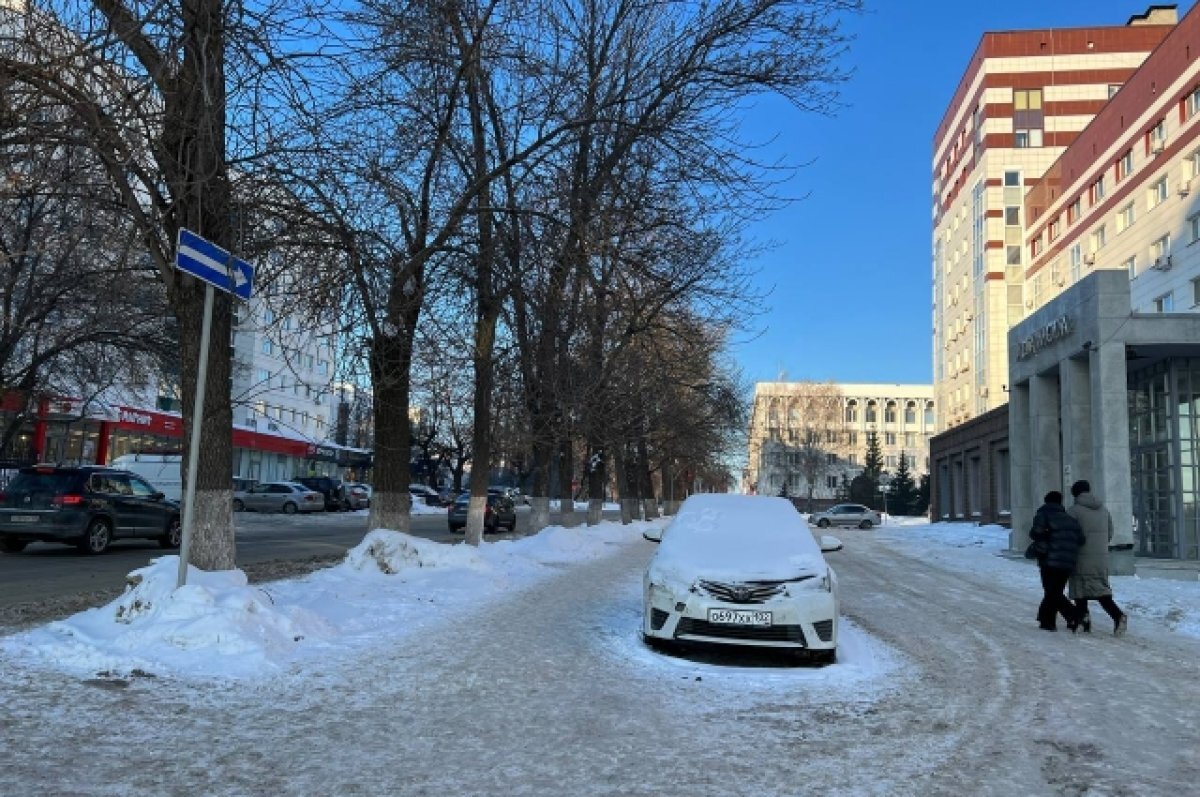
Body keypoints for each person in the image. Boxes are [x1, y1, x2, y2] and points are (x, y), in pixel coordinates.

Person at [1067, 480, 1129, 637]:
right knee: (1099, 588)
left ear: (1075, 494)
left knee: (1080, 588)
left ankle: (1088, 620)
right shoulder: (1103, 509)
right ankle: (1111, 617)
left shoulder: (1073, 511)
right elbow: (1110, 532)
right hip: (1101, 557)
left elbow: (1069, 535)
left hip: (1081, 556)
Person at [1029, 490, 1086, 632]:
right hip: (1068, 562)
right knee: (1055, 591)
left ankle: (1076, 615)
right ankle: (1047, 622)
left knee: (1052, 592)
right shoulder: (1070, 519)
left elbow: (1035, 533)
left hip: (1050, 561)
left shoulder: (1043, 514)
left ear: (1046, 501)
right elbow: (1081, 539)